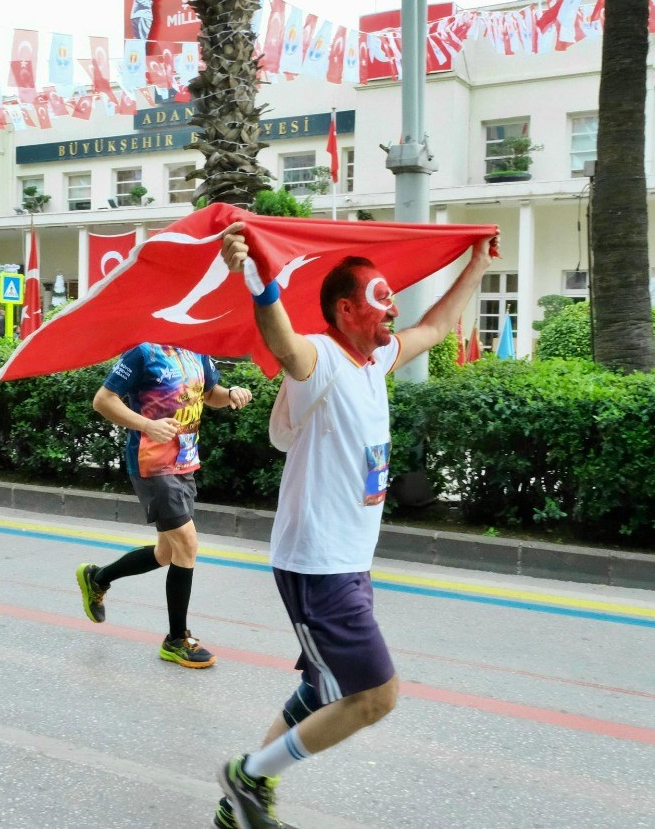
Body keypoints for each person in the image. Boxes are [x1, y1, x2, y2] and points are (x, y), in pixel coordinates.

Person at [212, 223, 495, 828]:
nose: (393, 305)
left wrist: (476, 264)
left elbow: (438, 327)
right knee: (375, 697)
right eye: (381, 296)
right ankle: (249, 775)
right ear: (346, 309)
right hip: (317, 565)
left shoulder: (376, 359)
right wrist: (258, 277)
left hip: (349, 560)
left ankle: (242, 801)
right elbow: (285, 346)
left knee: (322, 691)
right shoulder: (321, 358)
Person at [76, 345, 250, 668]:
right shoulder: (143, 352)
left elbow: (210, 393)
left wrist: (232, 394)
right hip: (152, 463)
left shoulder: (197, 349)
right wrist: (146, 424)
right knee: (187, 543)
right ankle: (176, 639)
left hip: (184, 461)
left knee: (167, 553)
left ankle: (98, 578)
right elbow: (103, 400)